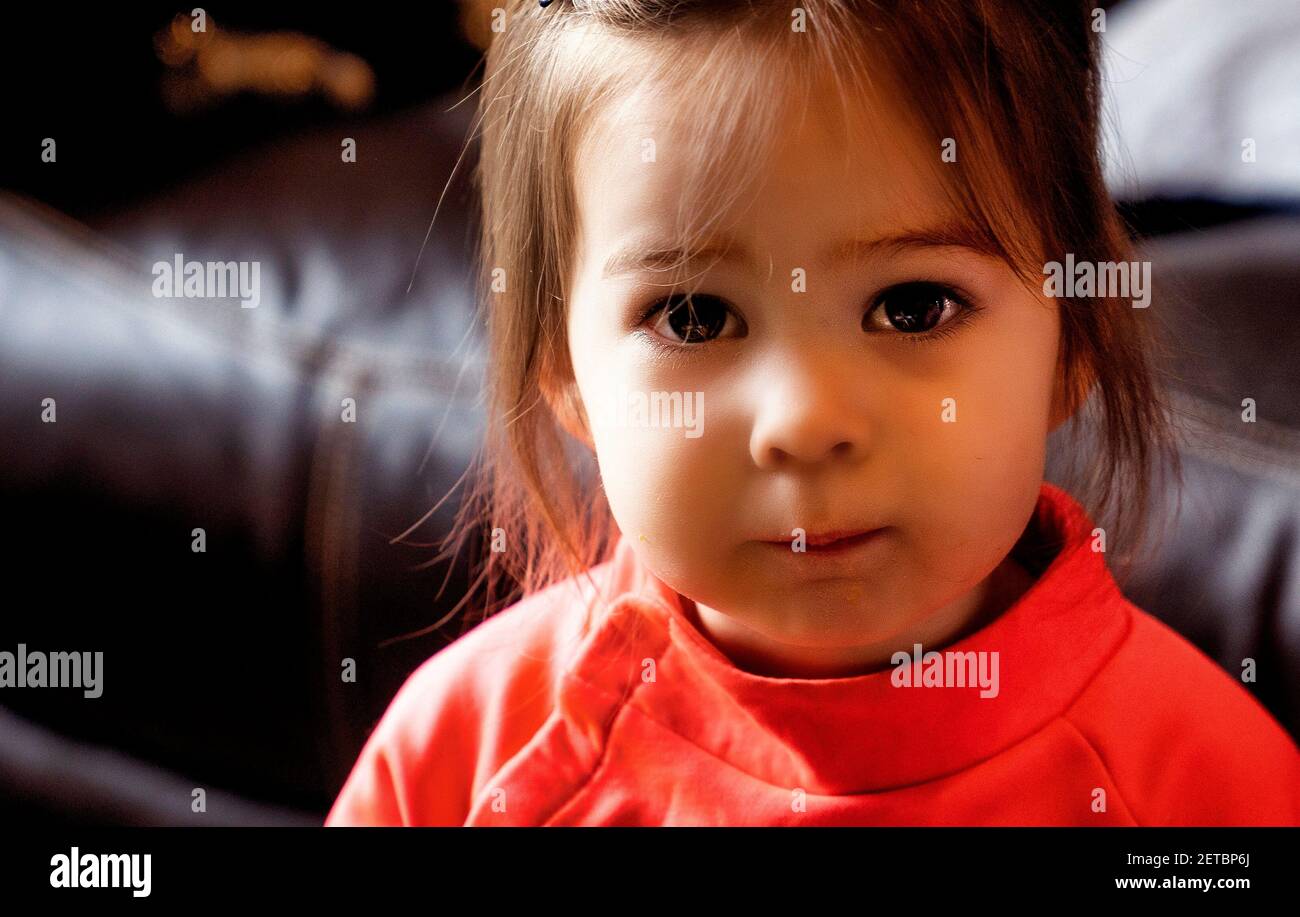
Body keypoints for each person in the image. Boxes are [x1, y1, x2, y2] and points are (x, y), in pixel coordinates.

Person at [325, 0, 1300, 826]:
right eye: (694, 315)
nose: (804, 419)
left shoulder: (1198, 788)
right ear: (563, 370)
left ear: (1072, 338)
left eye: (912, 306)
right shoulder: (466, 749)